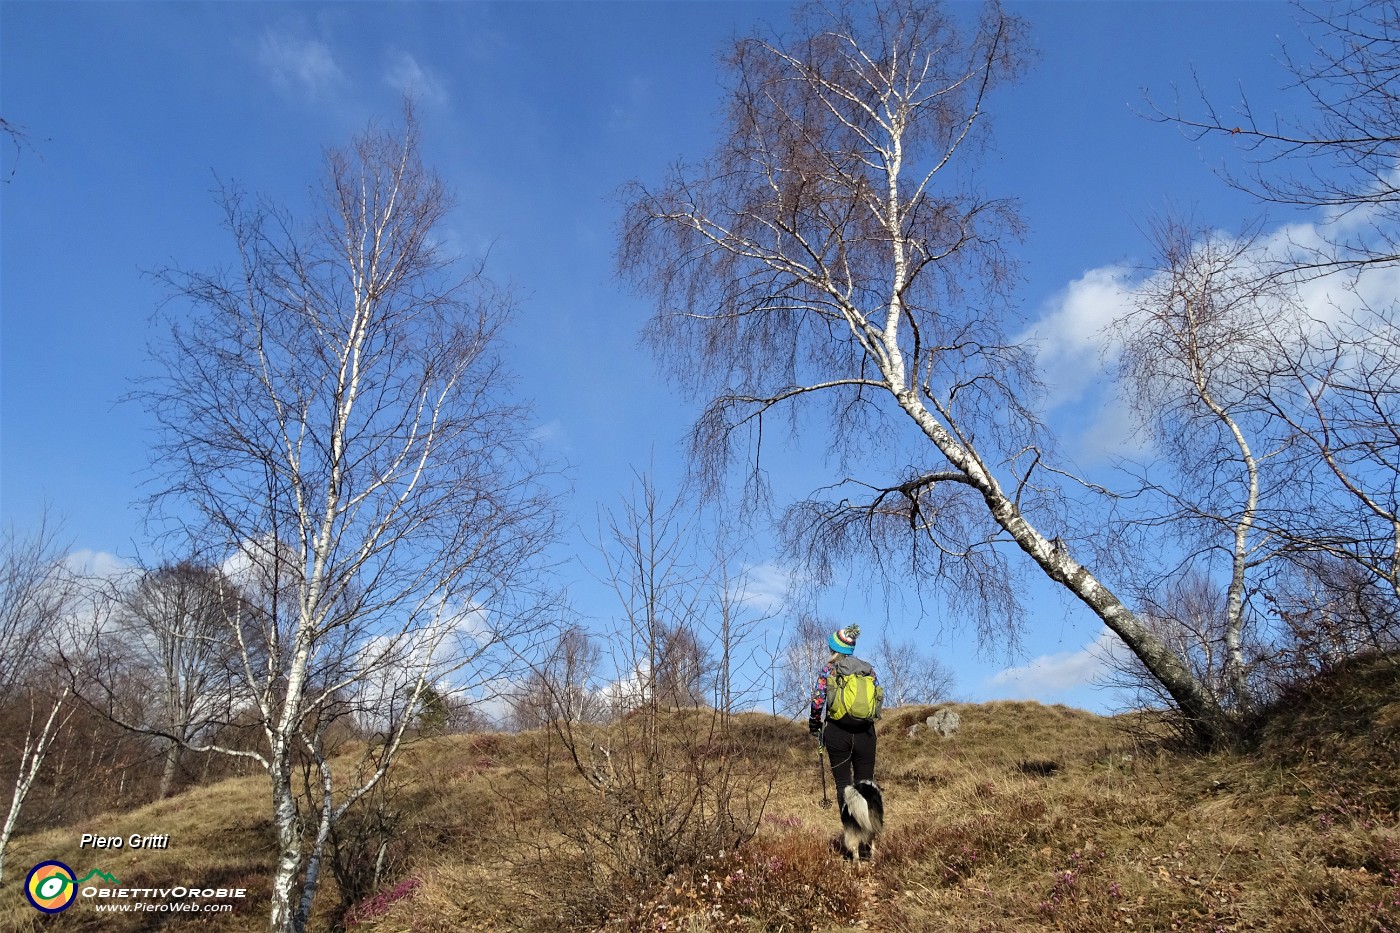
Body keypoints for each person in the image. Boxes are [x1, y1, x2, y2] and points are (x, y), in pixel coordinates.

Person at [808, 624, 884, 858]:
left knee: (844, 785)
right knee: (866, 785)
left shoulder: (828, 671)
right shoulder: (868, 671)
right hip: (866, 734)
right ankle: (868, 845)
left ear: (834, 648)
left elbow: (818, 700)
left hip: (837, 733)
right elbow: (877, 701)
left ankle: (852, 843)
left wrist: (814, 723)